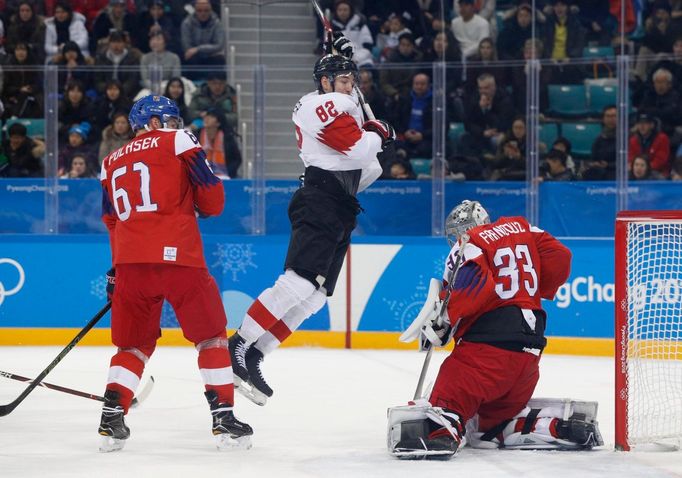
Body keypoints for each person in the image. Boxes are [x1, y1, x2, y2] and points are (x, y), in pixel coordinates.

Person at [227, 44, 394, 406]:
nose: (351, 87)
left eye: (353, 80)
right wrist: (378, 133)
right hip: (320, 199)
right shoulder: (318, 104)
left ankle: (256, 355)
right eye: (345, 80)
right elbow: (357, 147)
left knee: (314, 296)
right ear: (325, 81)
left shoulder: (341, 102)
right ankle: (238, 344)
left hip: (340, 204)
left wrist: (376, 130)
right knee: (297, 282)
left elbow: (369, 159)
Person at [388, 200, 602, 459]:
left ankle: (439, 428)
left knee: (452, 390)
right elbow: (561, 256)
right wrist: (532, 290)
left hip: (487, 354)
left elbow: (475, 285)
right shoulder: (523, 228)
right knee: (489, 425)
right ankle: (548, 425)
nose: (455, 239)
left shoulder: (470, 241)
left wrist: (446, 318)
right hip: (528, 358)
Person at [97, 95, 252, 452]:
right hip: (179, 257)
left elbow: (111, 221)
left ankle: (111, 415)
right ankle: (225, 419)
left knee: (132, 345)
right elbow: (213, 200)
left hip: (130, 263)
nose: (172, 125)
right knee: (212, 337)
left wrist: (117, 267)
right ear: (152, 122)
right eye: (167, 119)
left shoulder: (109, 162)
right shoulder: (180, 140)